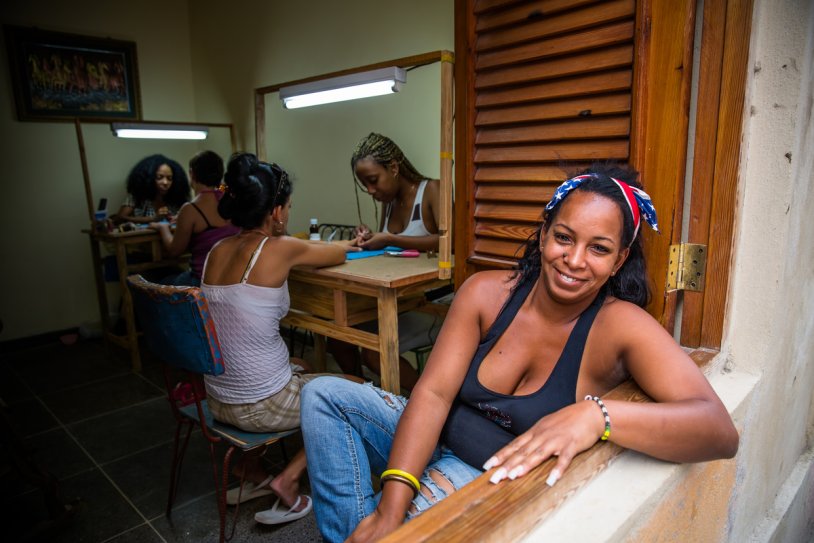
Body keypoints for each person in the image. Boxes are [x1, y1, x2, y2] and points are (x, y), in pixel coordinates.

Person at [300, 163, 739, 543]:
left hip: (484, 469)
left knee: (404, 529)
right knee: (321, 396)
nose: (574, 260)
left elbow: (718, 431)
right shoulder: (487, 293)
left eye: (599, 248)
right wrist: (390, 507)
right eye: (564, 237)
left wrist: (596, 417)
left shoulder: (619, 325)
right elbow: (431, 396)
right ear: (545, 232)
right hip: (432, 432)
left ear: (620, 259)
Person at [200, 152, 360, 525]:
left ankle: (250, 470)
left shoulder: (215, 251)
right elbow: (335, 252)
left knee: (301, 365)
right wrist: (350, 242)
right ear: (275, 212)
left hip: (217, 400)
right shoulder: (280, 246)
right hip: (259, 406)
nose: (288, 214)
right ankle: (288, 480)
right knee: (354, 390)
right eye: (287, 207)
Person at [328, 133, 445, 390]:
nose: (371, 191)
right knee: (337, 335)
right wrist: (371, 238)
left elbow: (450, 242)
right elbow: (391, 247)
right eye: (365, 185)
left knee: (373, 352)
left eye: (373, 181)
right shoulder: (389, 204)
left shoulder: (432, 190)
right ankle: (362, 393)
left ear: (393, 168)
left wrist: (391, 238)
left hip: (430, 303)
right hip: (395, 301)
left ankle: (425, 405)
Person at [150, 150, 240, 286]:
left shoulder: (190, 209)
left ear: (192, 174)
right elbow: (222, 189)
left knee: (159, 281)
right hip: (232, 278)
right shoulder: (232, 198)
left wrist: (163, 228)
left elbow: (174, 251)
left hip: (203, 282)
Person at [113, 154, 190, 224]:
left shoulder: (176, 199)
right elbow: (119, 219)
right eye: (159, 177)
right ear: (148, 179)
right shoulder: (136, 196)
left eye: (169, 178)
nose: (165, 182)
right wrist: (152, 219)